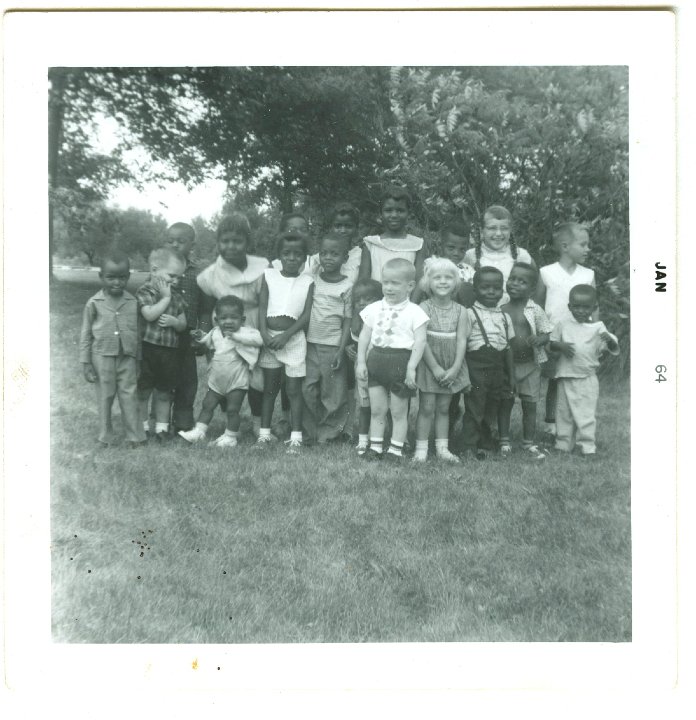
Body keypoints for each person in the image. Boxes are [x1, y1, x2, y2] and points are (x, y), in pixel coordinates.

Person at [197, 213, 270, 437]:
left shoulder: (262, 268)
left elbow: (268, 300)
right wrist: (204, 340)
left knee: (258, 377)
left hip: (254, 324)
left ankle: (258, 423)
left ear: (248, 242)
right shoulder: (210, 275)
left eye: (237, 241)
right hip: (224, 329)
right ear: (218, 243)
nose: (231, 246)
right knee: (224, 374)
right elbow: (205, 307)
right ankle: (231, 423)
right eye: (225, 241)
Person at [356, 258, 428, 460]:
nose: (388, 287)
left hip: (400, 362)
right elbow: (364, 336)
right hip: (376, 360)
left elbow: (420, 342)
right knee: (377, 409)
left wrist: (412, 367)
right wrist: (361, 362)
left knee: (398, 411)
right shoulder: (373, 308)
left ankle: (396, 449)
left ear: (410, 286)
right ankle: (376, 447)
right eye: (385, 282)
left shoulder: (416, 312)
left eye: (395, 283)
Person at [79, 250, 145, 448]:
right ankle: (104, 436)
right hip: (102, 358)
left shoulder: (133, 302)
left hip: (127, 358)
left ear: (128, 277)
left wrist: (138, 360)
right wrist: (86, 362)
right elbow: (85, 334)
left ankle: (135, 437)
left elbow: (138, 334)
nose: (117, 282)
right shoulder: (94, 303)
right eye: (111, 278)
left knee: (130, 396)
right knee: (105, 397)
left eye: (122, 278)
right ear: (101, 277)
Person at [536, 222, 596, 439]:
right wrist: (543, 335)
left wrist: (595, 337)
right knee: (554, 379)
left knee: (576, 380)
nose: (587, 249)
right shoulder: (546, 273)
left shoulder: (588, 274)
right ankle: (551, 422)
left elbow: (594, 309)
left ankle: (577, 421)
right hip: (554, 337)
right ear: (564, 246)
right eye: (583, 244)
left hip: (579, 337)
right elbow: (537, 307)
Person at [178, 295, 263, 448]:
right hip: (217, 380)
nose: (228, 321)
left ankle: (231, 437)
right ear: (216, 320)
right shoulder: (216, 332)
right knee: (207, 404)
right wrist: (199, 337)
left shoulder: (246, 333)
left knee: (232, 409)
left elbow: (258, 340)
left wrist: (237, 337)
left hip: (237, 381)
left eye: (234, 318)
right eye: (223, 318)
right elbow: (205, 344)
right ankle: (199, 431)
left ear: (242, 319)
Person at [258, 230, 314, 453]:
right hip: (269, 339)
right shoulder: (269, 275)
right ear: (279, 255)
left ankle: (296, 437)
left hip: (293, 340)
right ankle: (263, 435)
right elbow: (262, 306)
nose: (292, 258)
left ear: (304, 257)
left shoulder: (308, 281)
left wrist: (286, 335)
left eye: (297, 254)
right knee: (269, 389)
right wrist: (263, 333)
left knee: (293, 390)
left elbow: (306, 315)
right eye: (286, 253)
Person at [549, 284, 618, 456]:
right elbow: (551, 344)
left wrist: (608, 340)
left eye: (585, 307)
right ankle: (563, 443)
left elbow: (611, 346)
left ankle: (586, 445)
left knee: (585, 413)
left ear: (593, 308)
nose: (580, 310)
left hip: (587, 378)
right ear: (569, 306)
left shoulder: (598, 327)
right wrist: (561, 346)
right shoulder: (563, 325)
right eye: (576, 306)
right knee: (563, 412)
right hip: (565, 376)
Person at [412, 259, 470, 463]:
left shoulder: (461, 311)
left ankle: (442, 448)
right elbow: (422, 341)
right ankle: (421, 449)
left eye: (448, 277)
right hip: (430, 363)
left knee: (444, 407)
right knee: (427, 406)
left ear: (456, 282)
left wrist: (455, 368)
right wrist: (435, 367)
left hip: (451, 363)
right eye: (437, 277)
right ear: (428, 282)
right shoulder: (423, 307)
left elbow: (462, 340)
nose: (443, 281)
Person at [498, 262, 553, 460]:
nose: (514, 284)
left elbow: (547, 332)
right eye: (512, 279)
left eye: (522, 282)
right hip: (507, 366)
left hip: (530, 365)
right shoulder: (500, 306)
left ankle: (528, 442)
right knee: (505, 403)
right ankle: (504, 441)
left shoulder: (535, 309)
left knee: (530, 405)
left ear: (531, 289)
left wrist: (539, 339)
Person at [302, 233, 353, 444]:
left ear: (345, 257)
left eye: (334, 254)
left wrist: (341, 350)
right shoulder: (313, 280)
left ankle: (330, 434)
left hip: (333, 346)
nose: (328, 258)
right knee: (308, 388)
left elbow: (348, 320)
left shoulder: (348, 286)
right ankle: (310, 430)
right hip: (310, 344)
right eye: (324, 253)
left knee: (333, 394)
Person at [460, 267, 515, 460]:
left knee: (492, 406)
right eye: (485, 287)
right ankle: (468, 446)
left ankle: (485, 444)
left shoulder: (504, 317)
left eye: (496, 288)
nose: (491, 292)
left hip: (497, 367)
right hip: (476, 365)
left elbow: (507, 348)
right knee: (475, 407)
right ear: (475, 290)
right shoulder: (469, 314)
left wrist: (511, 377)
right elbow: (463, 345)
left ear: (502, 291)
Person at [136, 247, 187, 441]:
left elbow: (183, 325)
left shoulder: (178, 297)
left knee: (165, 391)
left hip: (169, 352)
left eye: (179, 277)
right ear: (154, 270)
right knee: (143, 390)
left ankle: (162, 429)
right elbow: (149, 314)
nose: (175, 281)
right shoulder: (145, 291)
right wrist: (165, 298)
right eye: (172, 276)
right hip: (147, 349)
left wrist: (176, 323)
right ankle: (141, 427)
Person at [164, 222, 202, 435]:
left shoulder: (197, 273)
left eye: (181, 241)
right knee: (165, 378)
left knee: (187, 380)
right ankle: (160, 420)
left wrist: (200, 332)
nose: (175, 244)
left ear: (192, 244)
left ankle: (183, 421)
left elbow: (204, 305)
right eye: (170, 241)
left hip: (187, 334)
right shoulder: (161, 270)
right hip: (164, 332)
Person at [358, 186, 425, 287]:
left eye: (400, 210)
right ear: (380, 214)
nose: (394, 215)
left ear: (409, 213)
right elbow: (364, 281)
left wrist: (411, 303)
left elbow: (420, 281)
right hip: (375, 300)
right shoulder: (370, 243)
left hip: (407, 301)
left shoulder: (418, 244)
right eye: (388, 210)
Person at [345, 279, 383, 455]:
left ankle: (386, 439)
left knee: (383, 406)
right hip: (362, 369)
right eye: (358, 299)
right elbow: (353, 342)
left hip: (381, 369)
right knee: (365, 404)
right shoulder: (356, 321)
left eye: (367, 299)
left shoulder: (383, 319)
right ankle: (362, 440)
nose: (361, 303)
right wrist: (349, 348)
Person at [463, 205, 535, 283]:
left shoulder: (521, 255)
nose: (498, 233)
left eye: (504, 228)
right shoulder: (469, 256)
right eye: (492, 228)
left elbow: (535, 285)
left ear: (510, 230)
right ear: (482, 231)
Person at [303, 202, 362, 284]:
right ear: (331, 227)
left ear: (356, 228)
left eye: (348, 226)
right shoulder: (319, 259)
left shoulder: (360, 256)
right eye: (338, 226)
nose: (343, 230)